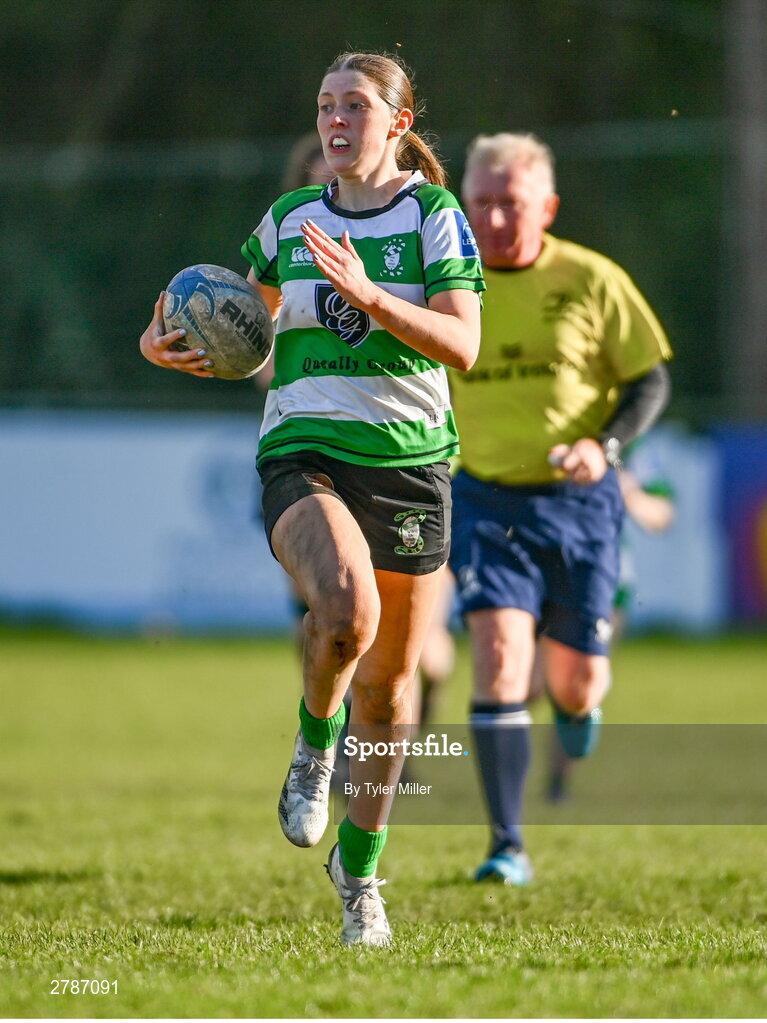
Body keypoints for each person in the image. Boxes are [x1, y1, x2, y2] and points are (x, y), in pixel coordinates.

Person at [140, 51, 485, 945]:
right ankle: (310, 743)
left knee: (392, 686)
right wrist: (173, 343)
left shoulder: (433, 215)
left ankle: (360, 877)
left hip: (411, 460)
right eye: (326, 105)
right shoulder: (289, 218)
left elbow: (463, 344)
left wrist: (370, 295)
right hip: (304, 445)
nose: (335, 120)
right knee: (343, 611)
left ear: (398, 124)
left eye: (356, 106)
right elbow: (248, 335)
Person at [449, 132, 672, 885]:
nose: (492, 218)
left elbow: (648, 382)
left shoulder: (590, 277)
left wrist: (602, 447)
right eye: (477, 202)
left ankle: (577, 714)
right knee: (500, 656)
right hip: (481, 496)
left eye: (508, 203)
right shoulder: (446, 282)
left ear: (544, 205)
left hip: (580, 502)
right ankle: (505, 844)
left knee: (573, 683)